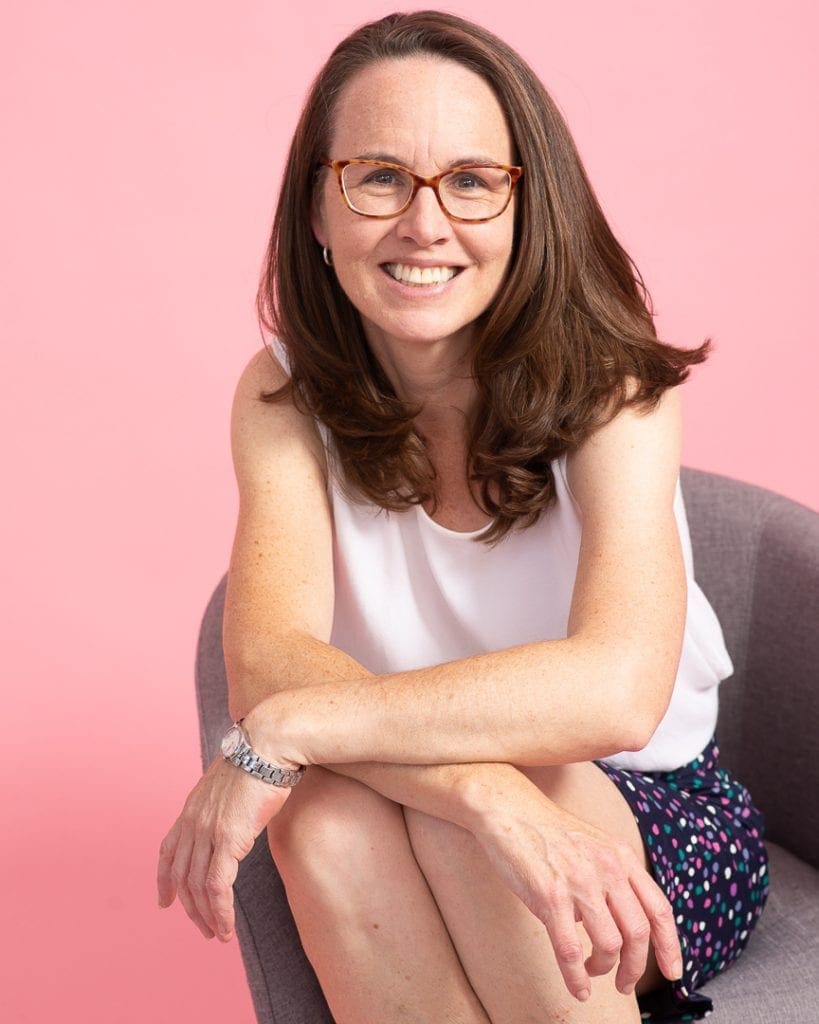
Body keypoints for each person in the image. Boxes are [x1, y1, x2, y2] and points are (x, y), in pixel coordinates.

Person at [156, 11, 769, 1023]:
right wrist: (487, 791)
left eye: (473, 181)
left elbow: (616, 691)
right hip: (399, 782)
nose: (424, 224)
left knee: (455, 834)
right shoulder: (281, 396)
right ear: (319, 203)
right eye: (380, 176)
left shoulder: (618, 388)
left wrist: (300, 723)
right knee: (329, 825)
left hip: (644, 800)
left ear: (529, 206)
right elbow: (266, 665)